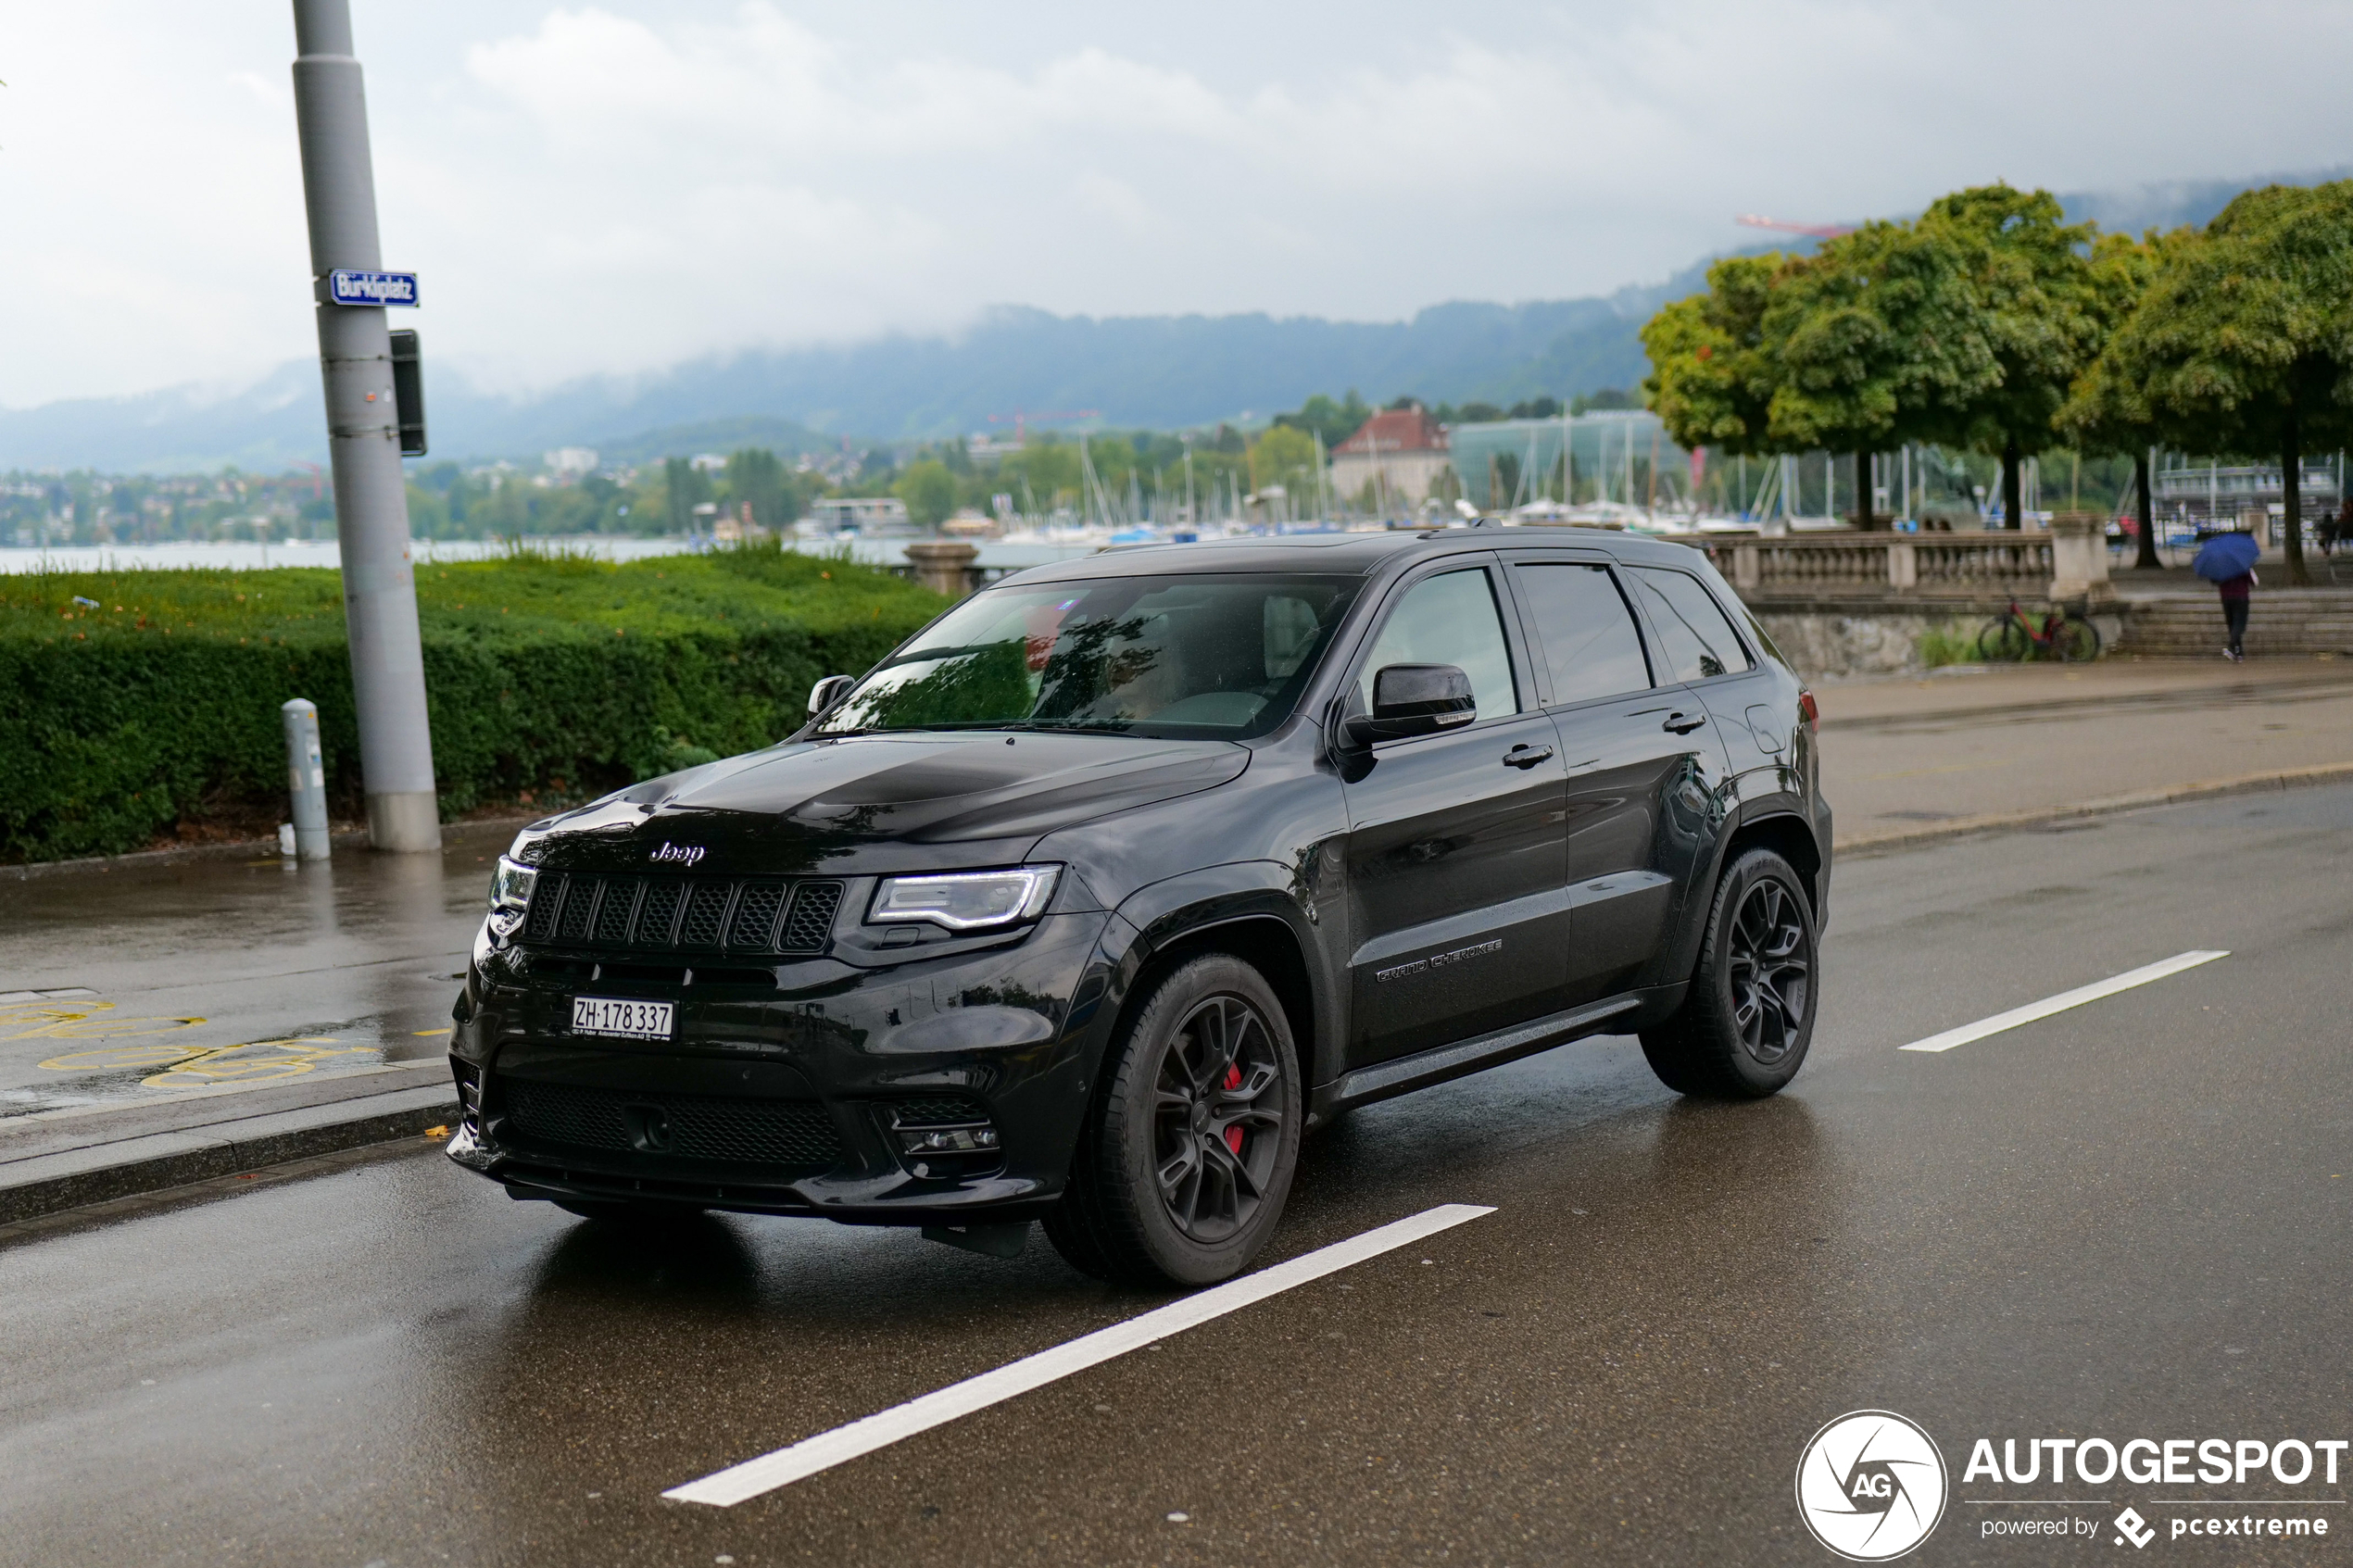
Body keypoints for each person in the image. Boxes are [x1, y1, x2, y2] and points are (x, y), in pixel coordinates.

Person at [2218, 561, 2257, 661]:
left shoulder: (2221, 567)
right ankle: (2232, 647)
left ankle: (2238, 651)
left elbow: (2215, 580)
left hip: (2226, 598)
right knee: (2239, 623)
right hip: (2241, 597)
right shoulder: (2242, 565)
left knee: (2232, 624)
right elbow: (2253, 582)